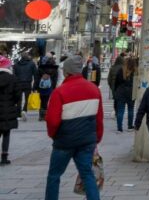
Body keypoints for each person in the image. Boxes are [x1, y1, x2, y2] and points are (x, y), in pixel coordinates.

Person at [44, 55, 104, 200]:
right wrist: (96, 138)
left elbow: (52, 121)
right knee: (87, 174)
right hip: (87, 141)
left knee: (54, 175)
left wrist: (54, 135)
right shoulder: (94, 89)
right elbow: (99, 118)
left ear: (66, 72)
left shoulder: (60, 92)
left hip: (64, 141)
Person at [0, 55, 21, 165]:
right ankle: (4, 157)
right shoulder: (13, 79)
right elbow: (18, 95)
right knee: (6, 134)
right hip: (8, 109)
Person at [114, 57, 136, 132]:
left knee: (120, 110)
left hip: (121, 92)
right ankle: (130, 126)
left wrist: (115, 91)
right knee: (131, 109)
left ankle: (119, 128)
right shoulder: (135, 71)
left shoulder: (121, 70)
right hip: (131, 92)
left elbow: (116, 82)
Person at [12, 52, 36, 121]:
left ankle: (18, 114)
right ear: (27, 56)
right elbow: (35, 75)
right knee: (27, 98)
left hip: (18, 84)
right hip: (27, 83)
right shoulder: (32, 64)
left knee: (19, 99)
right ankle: (24, 110)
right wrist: (34, 86)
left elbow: (14, 75)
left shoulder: (16, 65)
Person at [35, 55, 59, 121]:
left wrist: (36, 87)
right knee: (47, 101)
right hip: (49, 87)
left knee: (42, 101)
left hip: (41, 87)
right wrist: (53, 87)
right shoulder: (54, 69)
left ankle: (41, 116)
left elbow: (37, 78)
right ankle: (45, 115)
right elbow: (55, 79)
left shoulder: (40, 68)